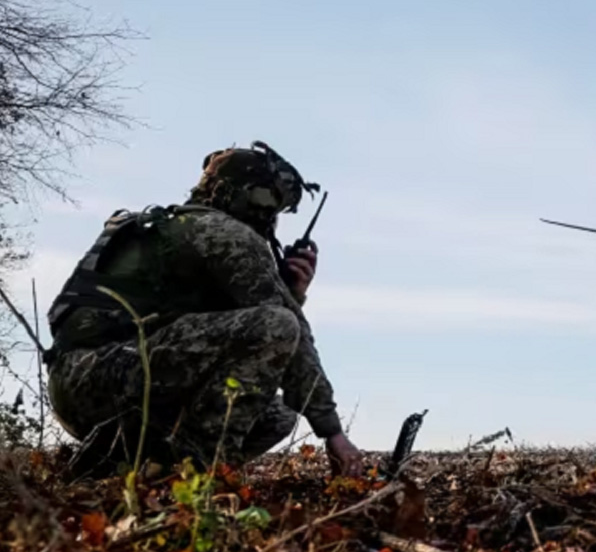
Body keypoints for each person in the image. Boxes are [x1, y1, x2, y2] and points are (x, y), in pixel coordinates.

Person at [42, 141, 364, 479]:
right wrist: (332, 433)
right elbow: (282, 330)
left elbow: (218, 339)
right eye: (267, 203)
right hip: (109, 379)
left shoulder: (166, 226)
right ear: (234, 193)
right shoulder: (221, 231)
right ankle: (202, 475)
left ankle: (129, 470)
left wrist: (290, 294)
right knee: (278, 324)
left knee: (279, 414)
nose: (269, 218)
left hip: (81, 385)